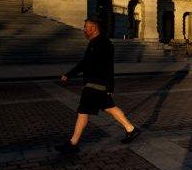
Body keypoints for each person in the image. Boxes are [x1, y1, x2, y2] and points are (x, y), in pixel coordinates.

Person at [55, 16, 140, 153]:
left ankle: (73, 143)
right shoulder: (94, 42)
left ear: (93, 28)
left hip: (96, 84)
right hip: (95, 84)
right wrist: (69, 75)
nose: (84, 30)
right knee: (109, 107)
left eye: (85, 27)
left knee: (83, 111)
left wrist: (109, 86)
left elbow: (108, 66)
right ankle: (131, 129)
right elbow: (84, 63)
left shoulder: (104, 43)